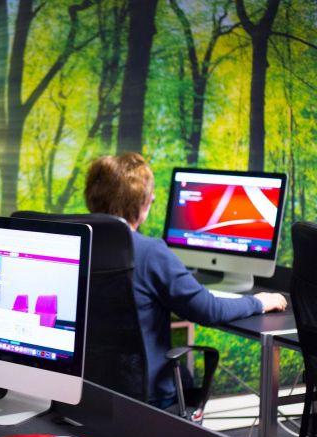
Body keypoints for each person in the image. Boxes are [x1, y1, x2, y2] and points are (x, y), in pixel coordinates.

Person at [83, 152, 288, 409]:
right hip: (146, 397)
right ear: (142, 201)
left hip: (86, 388)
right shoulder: (149, 253)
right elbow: (209, 310)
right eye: (150, 196)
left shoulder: (78, 243)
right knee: (185, 377)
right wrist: (258, 302)